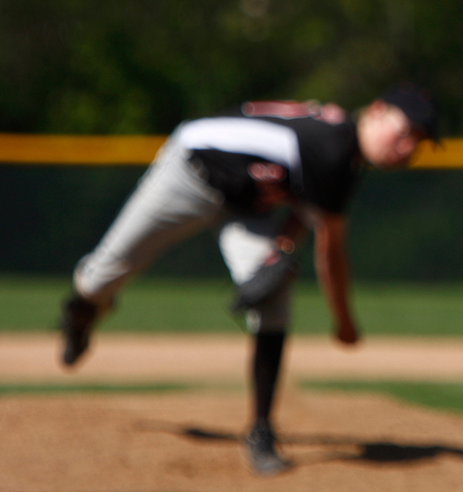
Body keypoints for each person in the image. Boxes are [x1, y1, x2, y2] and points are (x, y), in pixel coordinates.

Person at [58, 84, 438, 476]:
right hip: (191, 171)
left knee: (275, 298)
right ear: (376, 111)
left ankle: (260, 431)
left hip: (247, 204)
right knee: (100, 276)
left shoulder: (345, 152)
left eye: (419, 141)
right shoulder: (333, 148)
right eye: (406, 131)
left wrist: (283, 247)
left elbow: (305, 210)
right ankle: (82, 311)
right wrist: (343, 321)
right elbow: (331, 253)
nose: (408, 147)